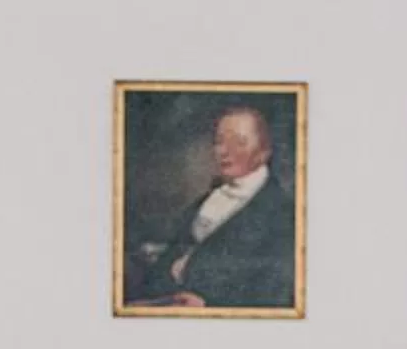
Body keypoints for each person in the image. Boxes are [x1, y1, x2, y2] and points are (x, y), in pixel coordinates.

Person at [126, 104, 295, 310]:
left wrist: (211, 306)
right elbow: (177, 251)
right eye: (219, 142)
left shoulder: (282, 212)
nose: (223, 151)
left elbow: (275, 292)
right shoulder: (208, 199)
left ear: (264, 151)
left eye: (239, 142)